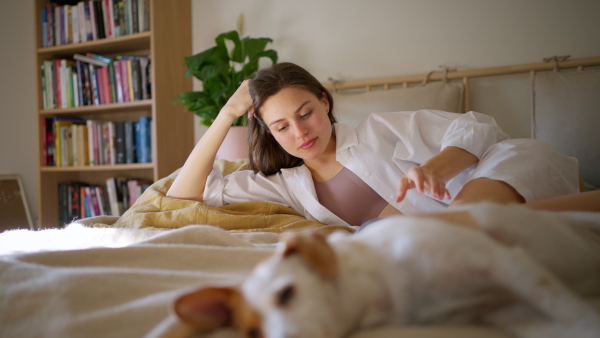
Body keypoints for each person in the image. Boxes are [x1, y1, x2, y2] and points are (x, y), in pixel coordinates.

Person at [167, 62, 589, 227]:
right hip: (449, 235)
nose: (300, 133)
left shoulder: (375, 130)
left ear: (324, 102)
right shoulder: (284, 186)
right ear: (269, 131)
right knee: (458, 236)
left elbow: (476, 128)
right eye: (281, 127)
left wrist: (435, 169)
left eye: (306, 113)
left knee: (461, 224)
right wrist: (226, 115)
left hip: (504, 169)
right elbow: (181, 197)